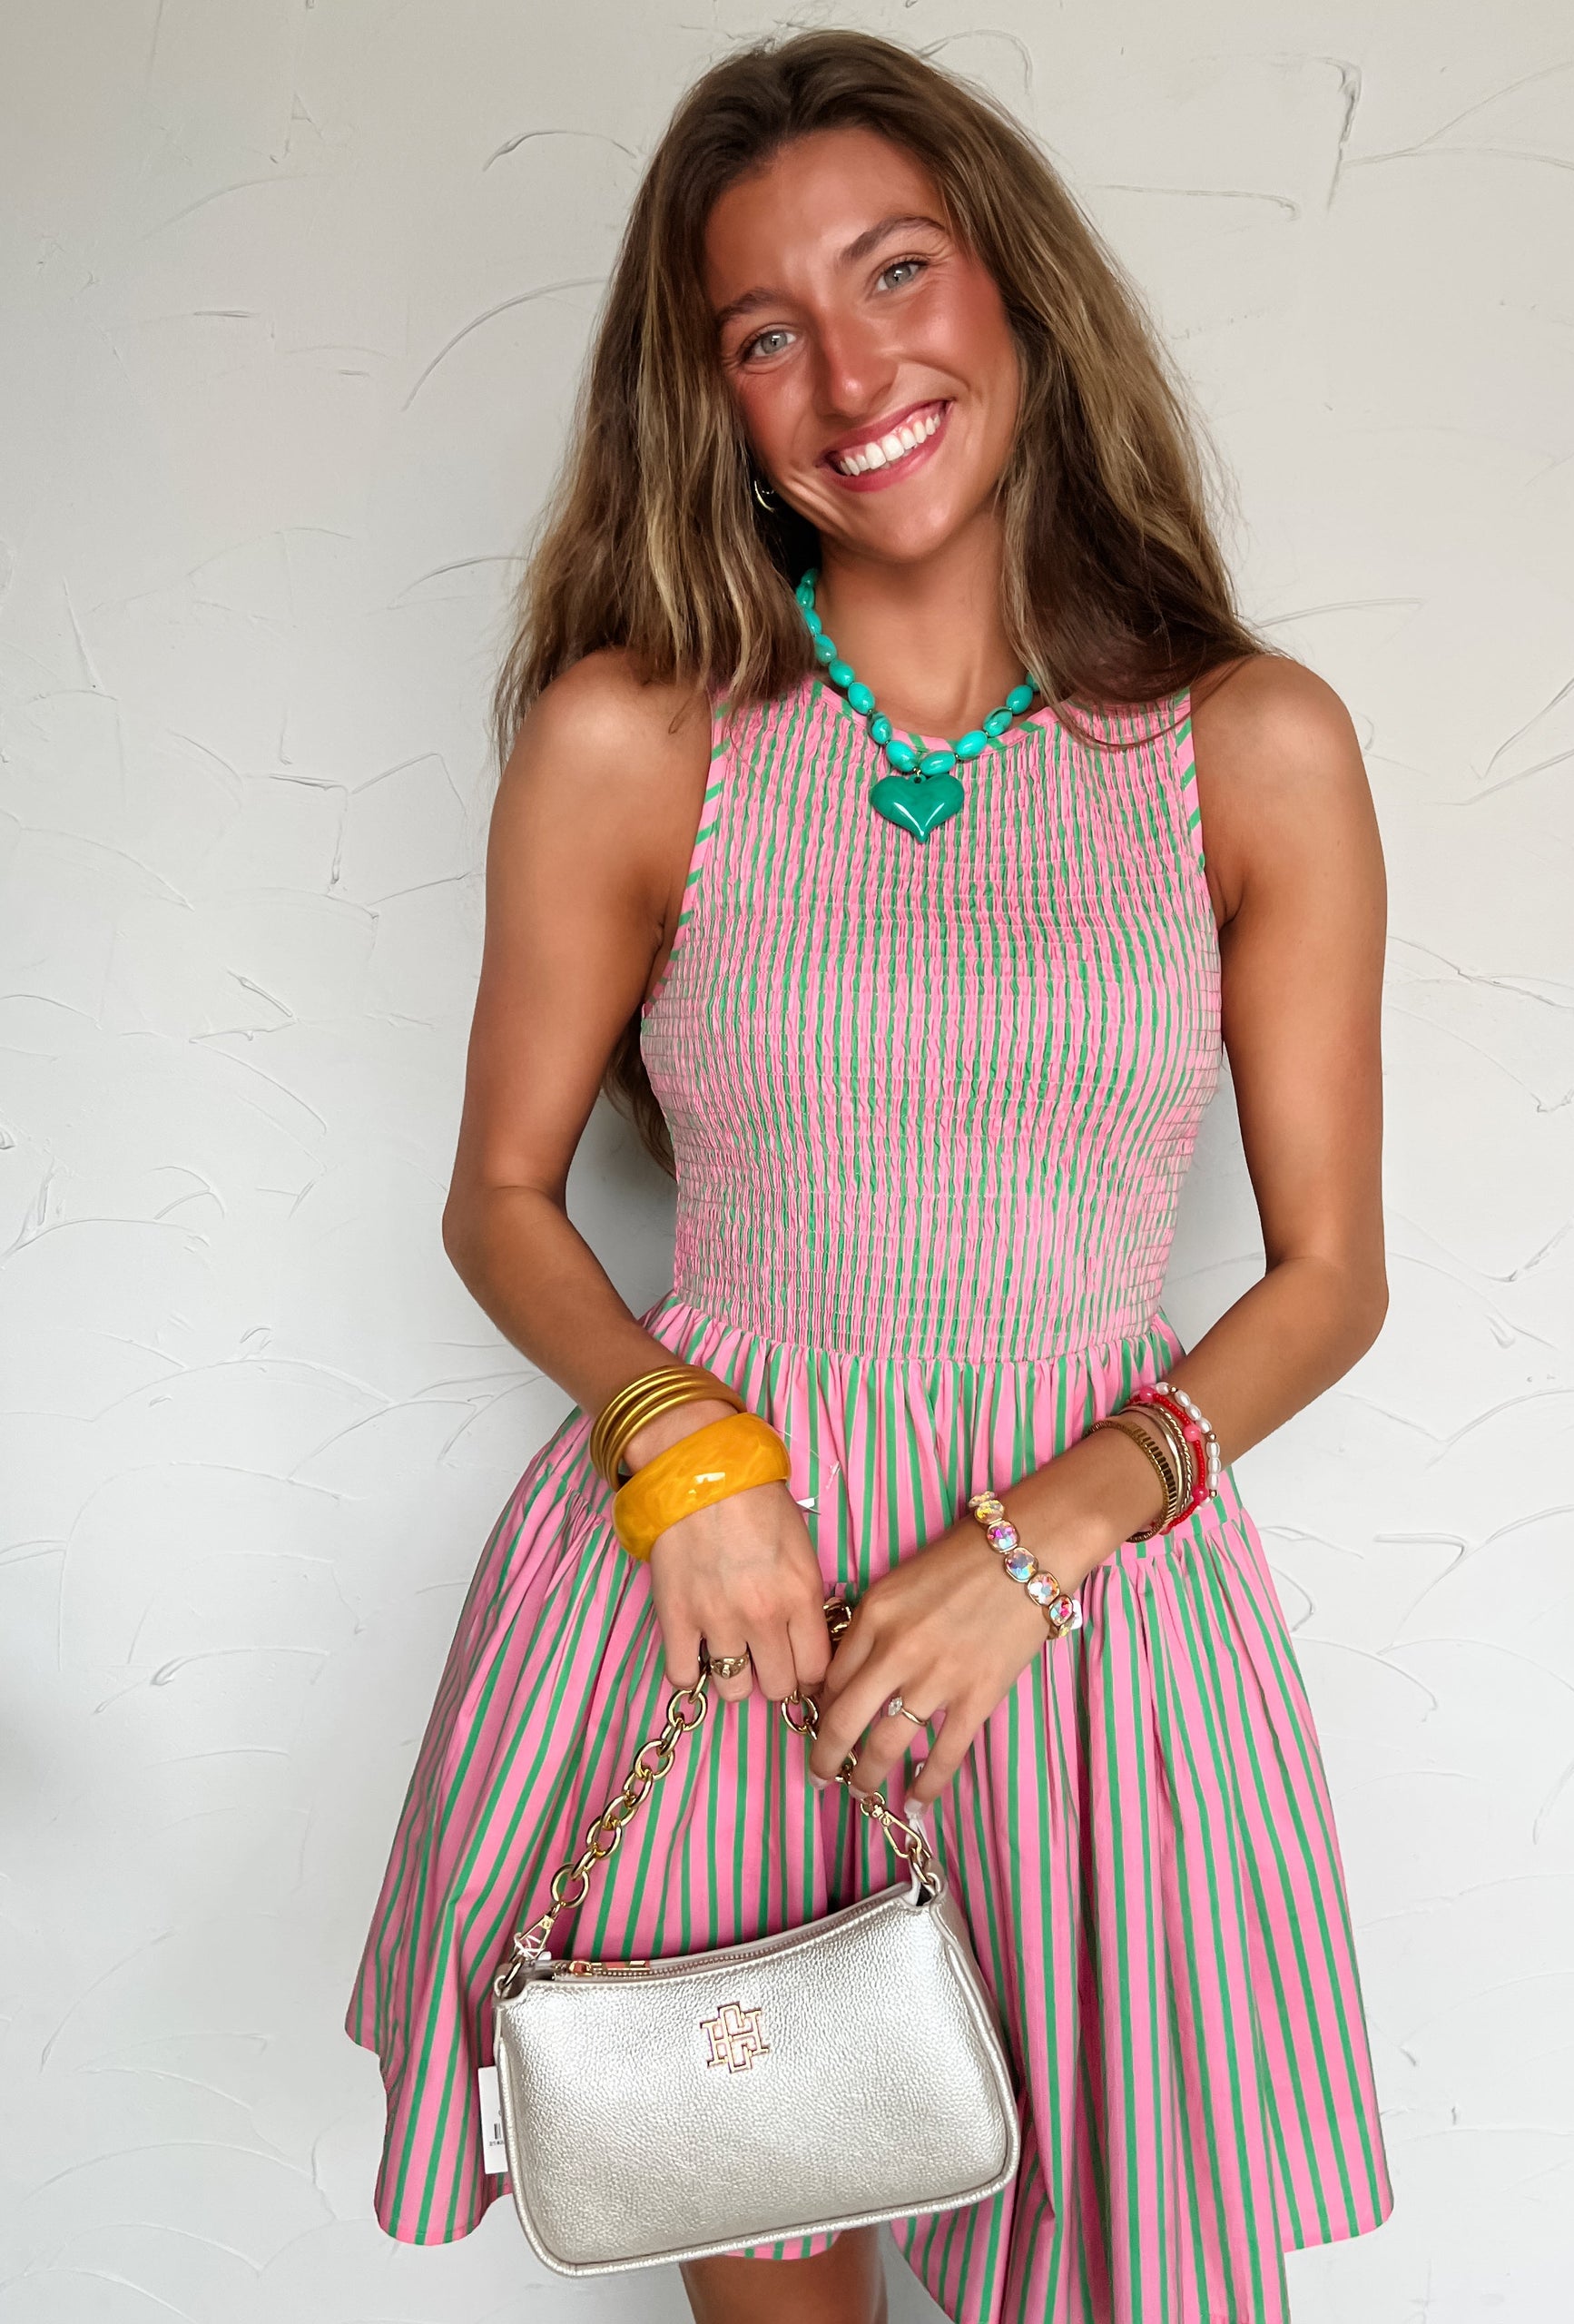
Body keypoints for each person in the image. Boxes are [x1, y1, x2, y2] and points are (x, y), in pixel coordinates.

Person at [344, 27, 1395, 2324]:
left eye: (899, 271)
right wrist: (669, 1446)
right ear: (710, 398)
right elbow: (502, 1195)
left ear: (1014, 291)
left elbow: (1328, 1275)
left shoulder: (1254, 745)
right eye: (762, 331)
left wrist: (1053, 1538)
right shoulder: (635, 734)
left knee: (1133, 2273)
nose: (851, 369)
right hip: (727, 1609)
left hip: (1096, 1621)